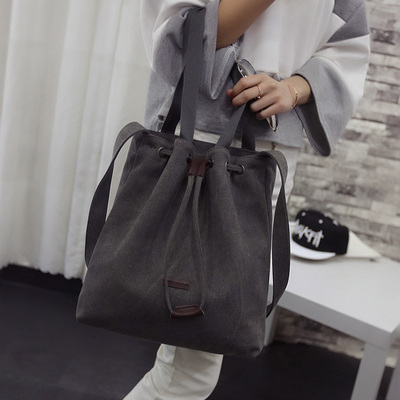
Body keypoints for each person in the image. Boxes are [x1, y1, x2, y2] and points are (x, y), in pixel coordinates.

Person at [124, 0, 370, 399]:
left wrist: (292, 88)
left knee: (191, 355)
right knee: (189, 369)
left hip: (267, 158)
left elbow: (348, 42)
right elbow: (182, 34)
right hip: (197, 144)